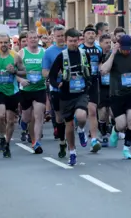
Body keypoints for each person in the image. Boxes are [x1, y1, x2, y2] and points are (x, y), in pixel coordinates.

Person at [48, 28, 91, 166]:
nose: (73, 43)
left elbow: (89, 71)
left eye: (75, 41)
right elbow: (52, 76)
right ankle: (72, 151)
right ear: (66, 41)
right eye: (70, 41)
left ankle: (82, 129)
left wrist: (89, 83)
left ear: (79, 40)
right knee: (69, 124)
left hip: (81, 92)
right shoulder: (62, 56)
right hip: (66, 94)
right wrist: (57, 84)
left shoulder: (84, 54)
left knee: (81, 116)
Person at [100, 35, 131, 159]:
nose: (126, 51)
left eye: (129, 48)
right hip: (116, 94)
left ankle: (126, 149)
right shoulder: (113, 55)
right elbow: (104, 70)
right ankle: (115, 130)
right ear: (118, 46)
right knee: (121, 125)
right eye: (124, 48)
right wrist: (113, 53)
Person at [16, 31, 47, 154]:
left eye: (35, 38)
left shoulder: (44, 52)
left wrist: (48, 77)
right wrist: (21, 80)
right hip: (26, 90)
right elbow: (13, 72)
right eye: (31, 38)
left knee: (38, 116)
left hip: (40, 89)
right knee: (27, 117)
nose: (33, 40)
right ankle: (23, 122)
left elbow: (48, 68)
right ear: (27, 40)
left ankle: (36, 142)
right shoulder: (21, 53)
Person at [0, 34, 20, 159]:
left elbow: (24, 72)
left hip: (12, 91)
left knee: (11, 121)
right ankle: (1, 137)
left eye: (5, 42)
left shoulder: (15, 56)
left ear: (9, 43)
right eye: (1, 42)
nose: (3, 45)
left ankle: (7, 143)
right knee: (1, 116)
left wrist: (15, 71)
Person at [41, 25, 68, 158]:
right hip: (56, 87)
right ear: (53, 37)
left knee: (73, 115)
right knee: (59, 116)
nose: (61, 38)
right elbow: (44, 72)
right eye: (58, 36)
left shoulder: (72, 48)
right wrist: (54, 73)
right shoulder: (49, 52)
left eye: (63, 35)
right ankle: (63, 141)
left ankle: (77, 134)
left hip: (72, 87)